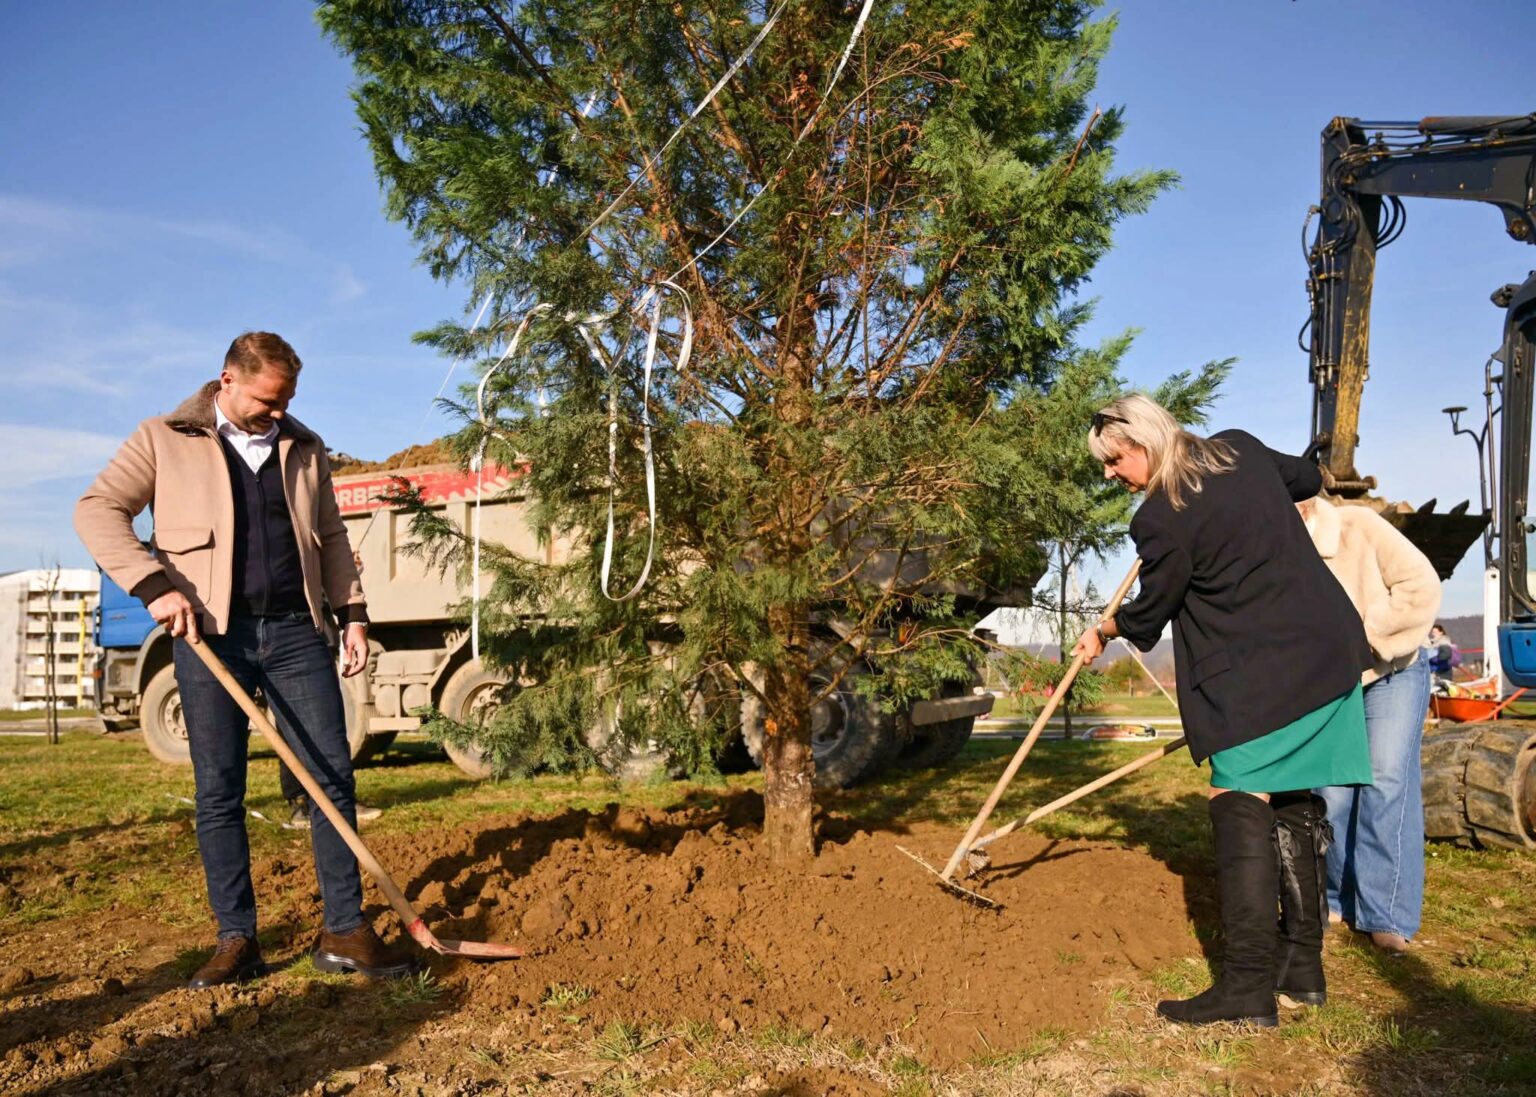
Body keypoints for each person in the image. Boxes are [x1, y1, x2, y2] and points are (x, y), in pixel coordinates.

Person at [75, 332, 412, 988]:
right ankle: (237, 940)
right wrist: (152, 585)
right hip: (209, 635)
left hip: (294, 632)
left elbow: (333, 538)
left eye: (287, 400)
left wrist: (353, 613)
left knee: (330, 776)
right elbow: (96, 510)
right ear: (226, 379)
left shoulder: (304, 448)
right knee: (218, 791)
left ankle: (344, 929)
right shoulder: (163, 438)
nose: (278, 412)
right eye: (267, 399)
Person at [1073, 394, 1373, 1027]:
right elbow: (1308, 479)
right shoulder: (1238, 447)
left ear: (1147, 443)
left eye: (1113, 460)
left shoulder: (1160, 518)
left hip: (1260, 677)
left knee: (1238, 799)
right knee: (1291, 797)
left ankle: (1245, 987)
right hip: (1326, 650)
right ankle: (1303, 971)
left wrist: (1106, 627)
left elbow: (1152, 613)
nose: (1109, 475)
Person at [1300, 497, 1440, 955]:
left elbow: (1421, 585)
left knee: (1385, 780)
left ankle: (1386, 913)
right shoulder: (1278, 549)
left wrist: (1370, 637)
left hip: (1395, 670)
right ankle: (1336, 896)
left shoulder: (1357, 525)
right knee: (1331, 790)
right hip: (1332, 680)